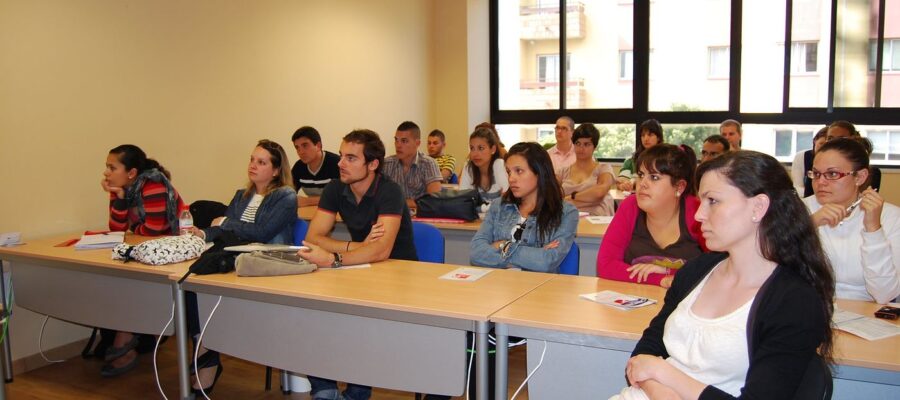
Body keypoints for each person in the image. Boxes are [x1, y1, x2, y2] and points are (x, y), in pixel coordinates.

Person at [614, 150, 835, 400]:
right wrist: (663, 391)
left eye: (713, 201)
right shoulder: (697, 270)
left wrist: (665, 373)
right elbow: (646, 351)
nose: (698, 215)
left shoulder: (793, 301)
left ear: (758, 207)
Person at [297, 129, 418, 400]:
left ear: (372, 164)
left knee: (358, 325)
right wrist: (357, 247)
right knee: (312, 314)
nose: (340, 163)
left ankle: (355, 393)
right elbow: (312, 237)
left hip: (399, 276)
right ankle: (326, 390)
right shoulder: (336, 188)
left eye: (351, 158)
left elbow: (383, 250)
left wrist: (335, 258)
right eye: (341, 156)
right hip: (359, 268)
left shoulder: (390, 191)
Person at [187, 139, 298, 395]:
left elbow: (262, 232)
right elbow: (224, 227)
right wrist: (202, 234)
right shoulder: (242, 195)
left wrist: (227, 222)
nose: (253, 166)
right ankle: (206, 352)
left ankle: (207, 356)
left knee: (206, 289)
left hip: (266, 263)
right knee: (192, 287)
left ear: (276, 170)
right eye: (251, 160)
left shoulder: (285, 196)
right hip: (237, 260)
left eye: (261, 162)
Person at [99, 144, 185, 377]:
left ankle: (125, 341)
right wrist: (118, 197)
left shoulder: (153, 184)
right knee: (117, 282)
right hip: (144, 252)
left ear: (132, 173)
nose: (106, 172)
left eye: (111, 167)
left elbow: (155, 229)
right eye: (107, 167)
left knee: (129, 285)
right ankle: (128, 337)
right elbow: (116, 229)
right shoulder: (124, 189)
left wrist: (133, 227)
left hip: (169, 256)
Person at [803, 137, 899, 304]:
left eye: (832, 174)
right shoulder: (800, 209)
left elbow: (885, 294)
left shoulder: (890, 216)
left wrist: (873, 229)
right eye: (816, 173)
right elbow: (769, 270)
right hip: (810, 307)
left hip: (868, 313)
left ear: (860, 177)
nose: (820, 182)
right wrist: (808, 225)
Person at [598, 144, 705, 288]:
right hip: (634, 301)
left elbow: (721, 267)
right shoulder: (630, 206)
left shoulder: (697, 211)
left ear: (679, 187)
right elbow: (605, 265)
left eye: (654, 177)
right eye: (641, 175)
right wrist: (661, 279)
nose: (642, 184)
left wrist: (670, 271)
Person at [470, 142, 578, 273]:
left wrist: (502, 245)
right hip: (498, 286)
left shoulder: (566, 213)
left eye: (519, 171)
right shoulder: (499, 206)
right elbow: (476, 253)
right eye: (509, 172)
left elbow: (546, 261)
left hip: (538, 289)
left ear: (539, 172)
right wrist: (534, 254)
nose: (511, 179)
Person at [558, 123, 616, 216]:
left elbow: (599, 193)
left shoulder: (604, 168)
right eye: (578, 143)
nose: (581, 148)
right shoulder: (562, 171)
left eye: (587, 144)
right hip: (568, 218)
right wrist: (588, 198)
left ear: (595, 147)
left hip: (597, 220)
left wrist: (570, 198)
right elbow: (551, 196)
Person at [382, 121, 442, 209]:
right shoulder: (386, 164)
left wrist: (400, 202)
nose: (398, 145)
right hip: (393, 216)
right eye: (396, 140)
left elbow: (434, 200)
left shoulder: (428, 163)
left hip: (420, 217)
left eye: (404, 141)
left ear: (417, 143)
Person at [291, 126, 340, 207]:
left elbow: (343, 197)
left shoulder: (337, 163)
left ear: (318, 146)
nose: (301, 152)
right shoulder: (298, 167)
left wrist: (307, 201)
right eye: (297, 148)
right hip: (311, 213)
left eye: (305, 145)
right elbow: (287, 195)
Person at [459, 127, 509, 204]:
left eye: (481, 148)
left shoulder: (498, 164)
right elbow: (463, 201)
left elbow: (507, 201)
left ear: (493, 149)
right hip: (476, 216)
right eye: (472, 148)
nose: (475, 154)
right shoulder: (469, 167)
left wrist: (480, 208)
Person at [617, 119, 663, 192]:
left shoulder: (665, 159)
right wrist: (624, 184)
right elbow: (621, 180)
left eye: (650, 135)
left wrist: (635, 181)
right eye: (643, 135)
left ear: (658, 138)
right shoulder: (631, 160)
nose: (646, 139)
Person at [791, 127, 828, 197]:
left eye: (828, 145)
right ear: (814, 141)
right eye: (821, 144)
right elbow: (797, 187)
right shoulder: (801, 157)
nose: (824, 149)